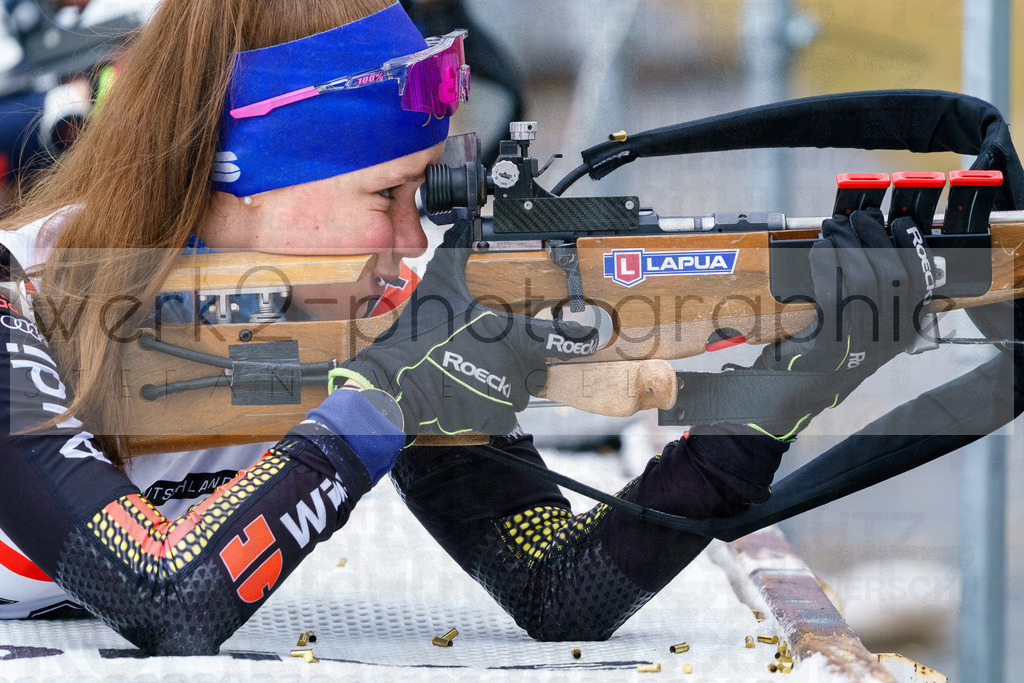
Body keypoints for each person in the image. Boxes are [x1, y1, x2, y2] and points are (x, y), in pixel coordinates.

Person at [0, 0, 935, 656]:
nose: (414, 239)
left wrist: (784, 390)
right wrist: (379, 401)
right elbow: (169, 600)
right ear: (240, 174)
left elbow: (558, 588)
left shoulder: (363, 313)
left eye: (421, 196)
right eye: (385, 197)